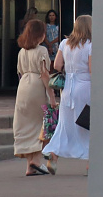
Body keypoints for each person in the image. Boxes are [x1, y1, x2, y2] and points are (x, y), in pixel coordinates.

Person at [43, 14, 93, 172]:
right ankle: (90, 164)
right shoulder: (90, 45)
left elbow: (57, 65)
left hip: (67, 88)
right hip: (85, 87)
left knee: (64, 125)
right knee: (87, 125)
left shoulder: (65, 43)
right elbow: (92, 70)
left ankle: (54, 155)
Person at [12, 18, 56, 176]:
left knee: (25, 125)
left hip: (23, 87)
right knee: (40, 125)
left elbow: (19, 72)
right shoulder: (41, 50)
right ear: (40, 34)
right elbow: (44, 74)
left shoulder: (22, 52)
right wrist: (52, 96)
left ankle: (29, 165)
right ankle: (36, 161)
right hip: (36, 88)